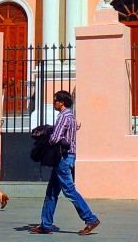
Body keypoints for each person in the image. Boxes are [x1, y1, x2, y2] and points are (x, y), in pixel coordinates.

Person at [30, 90, 99, 235]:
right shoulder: (72, 117)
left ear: (62, 102)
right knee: (52, 192)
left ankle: (90, 218)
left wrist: (46, 136)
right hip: (68, 157)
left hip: (63, 158)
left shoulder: (63, 117)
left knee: (69, 190)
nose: (54, 102)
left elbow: (55, 138)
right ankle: (46, 224)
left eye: (56, 100)